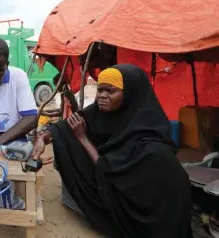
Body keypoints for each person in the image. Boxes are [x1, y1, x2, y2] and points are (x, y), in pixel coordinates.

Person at [32, 64, 193, 238]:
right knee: (67, 140)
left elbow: (109, 170)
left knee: (80, 139)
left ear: (130, 94)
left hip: (149, 211)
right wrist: (43, 137)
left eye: (110, 91)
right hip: (114, 180)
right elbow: (65, 126)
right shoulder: (100, 111)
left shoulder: (151, 141)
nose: (102, 96)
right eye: (100, 90)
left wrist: (83, 139)